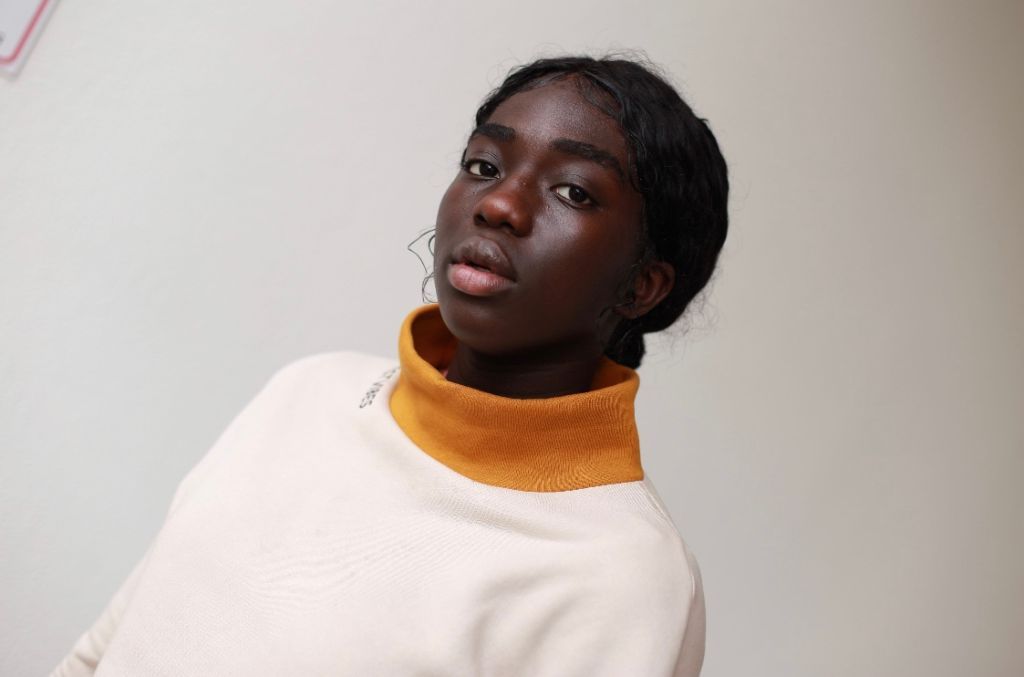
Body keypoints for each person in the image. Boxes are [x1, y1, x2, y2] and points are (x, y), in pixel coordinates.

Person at [52, 54, 728, 676]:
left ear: (643, 285)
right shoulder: (309, 389)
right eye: (484, 165)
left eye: (574, 192)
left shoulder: (624, 574)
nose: (498, 205)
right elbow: (100, 653)